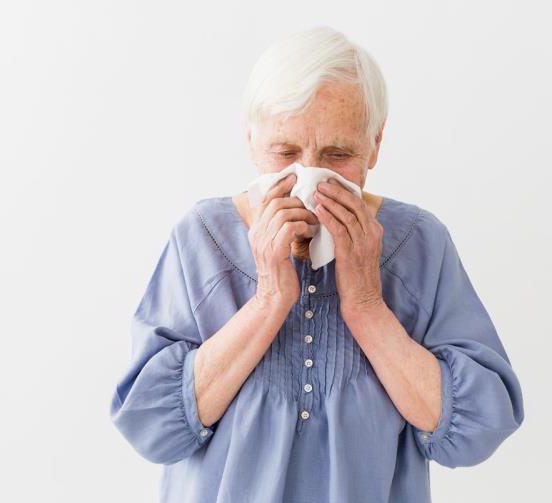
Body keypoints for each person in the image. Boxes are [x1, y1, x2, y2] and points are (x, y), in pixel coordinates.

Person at [108, 25, 524, 503]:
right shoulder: (200, 239)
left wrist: (366, 304)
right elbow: (152, 428)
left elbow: (476, 433)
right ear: (251, 139)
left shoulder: (420, 244)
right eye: (285, 152)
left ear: (375, 144)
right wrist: (269, 299)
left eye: (338, 155)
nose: (307, 179)